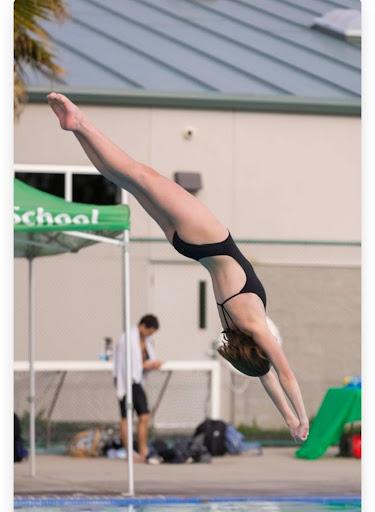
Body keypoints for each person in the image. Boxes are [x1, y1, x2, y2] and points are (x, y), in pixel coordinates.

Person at [47, 92, 309, 443]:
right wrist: (289, 420)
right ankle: (76, 129)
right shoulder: (238, 328)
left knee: (138, 172)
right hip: (188, 247)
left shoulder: (256, 326)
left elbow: (285, 375)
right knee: (126, 180)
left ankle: (80, 122)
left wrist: (303, 416)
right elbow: (265, 376)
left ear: (260, 347)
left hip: (210, 238)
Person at [113, 314, 162, 462]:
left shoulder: (146, 341)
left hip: (137, 380)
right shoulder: (127, 339)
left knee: (133, 417)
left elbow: (144, 361)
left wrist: (151, 364)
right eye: (150, 331)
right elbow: (127, 365)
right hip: (128, 381)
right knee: (139, 416)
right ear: (143, 326)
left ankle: (138, 450)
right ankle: (138, 450)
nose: (150, 335)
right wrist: (146, 365)